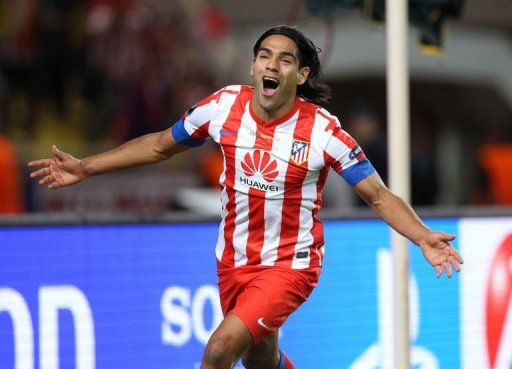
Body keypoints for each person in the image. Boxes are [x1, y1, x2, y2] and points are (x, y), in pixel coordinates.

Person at [28, 26, 463, 369]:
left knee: (219, 350)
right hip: (232, 260)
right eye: (264, 56)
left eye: (285, 59)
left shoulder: (323, 132)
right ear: (254, 67)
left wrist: (421, 235)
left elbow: (378, 196)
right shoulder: (221, 108)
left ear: (301, 75)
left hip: (289, 265)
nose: (272, 64)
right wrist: (85, 167)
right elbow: (161, 144)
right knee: (259, 358)